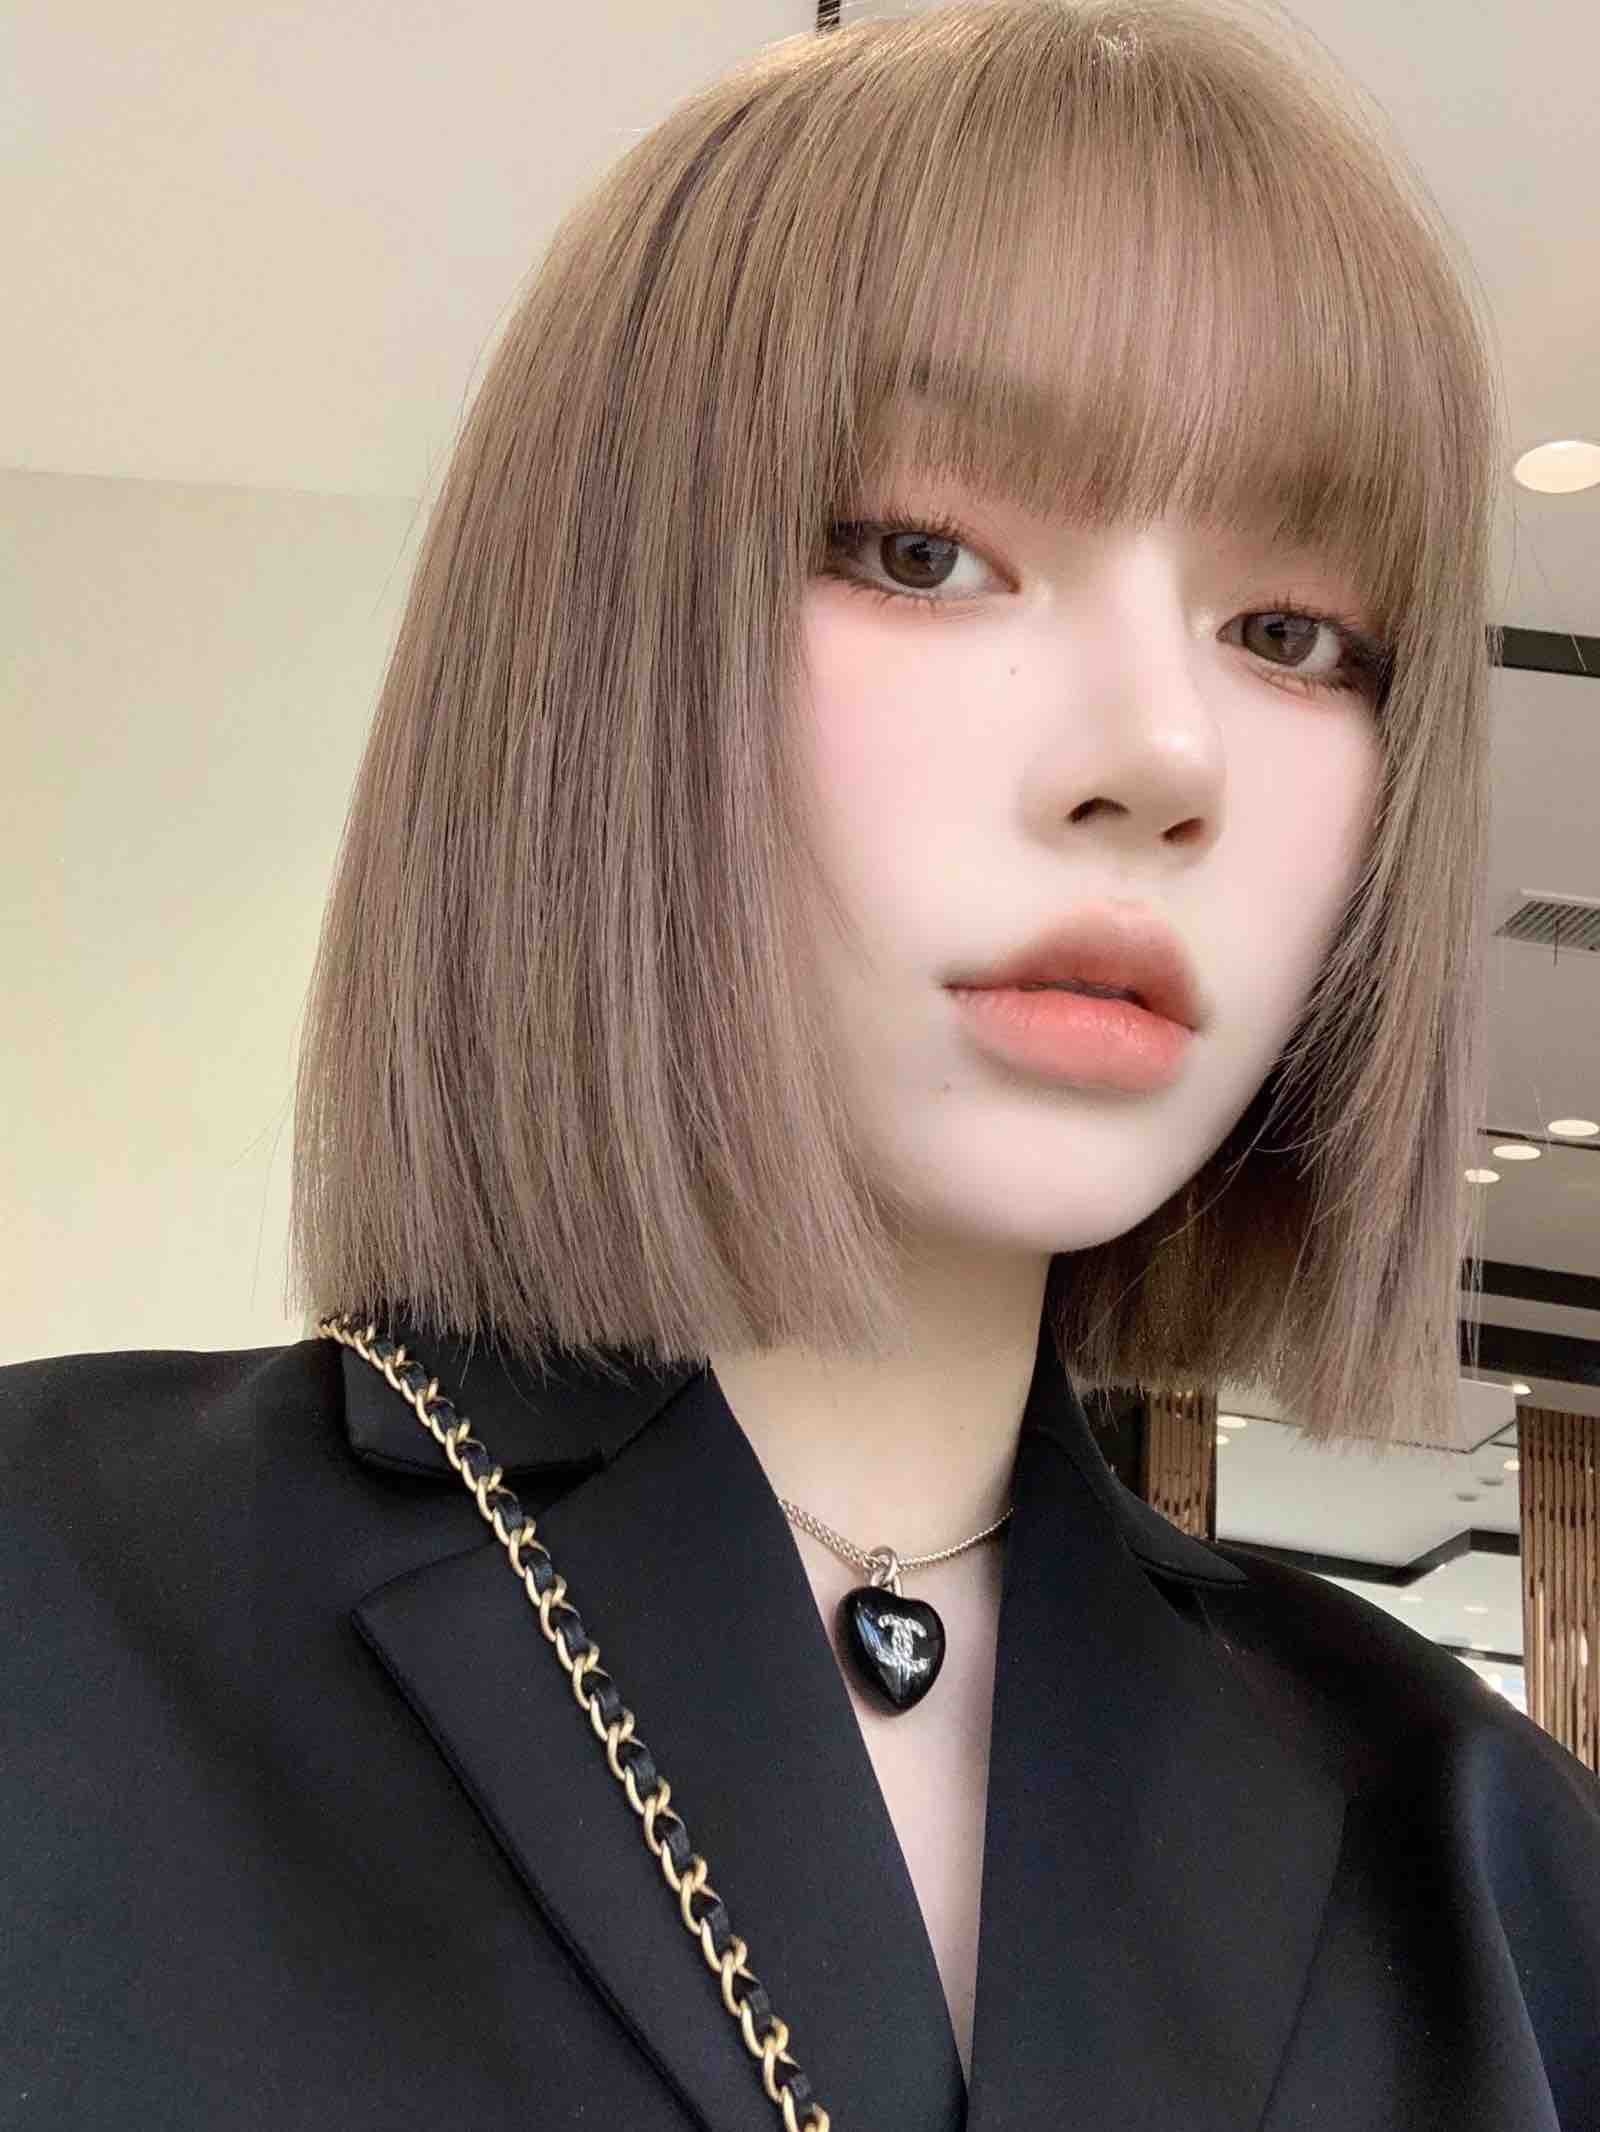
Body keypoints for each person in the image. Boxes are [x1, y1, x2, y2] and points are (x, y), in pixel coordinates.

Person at [5, 1, 1598, 2126]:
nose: (1160, 755)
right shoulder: (53, 1614)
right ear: (593, 639)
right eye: (924, 553)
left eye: (1291, 634)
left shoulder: (1493, 1872)